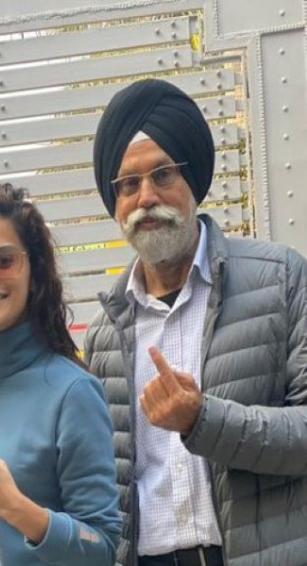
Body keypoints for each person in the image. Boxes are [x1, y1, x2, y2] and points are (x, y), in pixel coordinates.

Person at [85, 78, 307, 566]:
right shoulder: (104, 335)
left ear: (194, 182)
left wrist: (202, 420)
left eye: (162, 174)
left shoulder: (280, 279)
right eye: (128, 185)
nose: (146, 197)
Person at [0, 183, 121, 566]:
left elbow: (102, 546)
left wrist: (16, 507)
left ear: (34, 273)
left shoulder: (73, 392)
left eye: (5, 260)